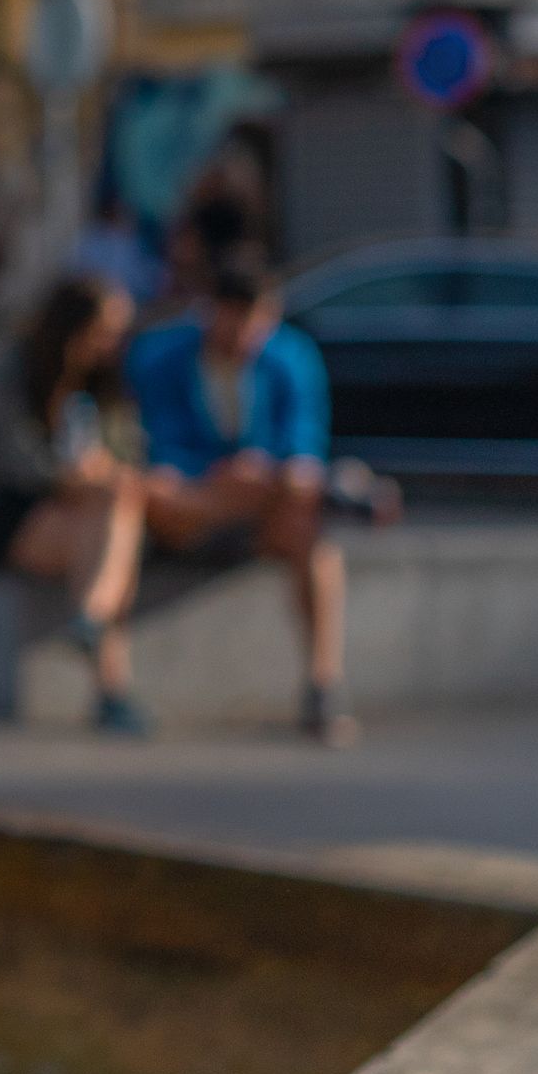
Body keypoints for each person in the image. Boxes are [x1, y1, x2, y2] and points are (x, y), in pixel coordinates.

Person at [124, 252, 390, 745]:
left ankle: (323, 685)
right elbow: (156, 446)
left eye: (261, 321)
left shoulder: (291, 357)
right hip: (189, 508)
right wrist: (212, 476)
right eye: (239, 320)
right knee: (160, 492)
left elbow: (303, 443)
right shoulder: (159, 356)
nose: (250, 334)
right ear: (212, 311)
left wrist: (263, 468)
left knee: (313, 535)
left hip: (262, 508)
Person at [0, 276, 152, 736]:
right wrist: (74, 476)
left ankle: (93, 625)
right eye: (104, 330)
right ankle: (111, 685)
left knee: (114, 523)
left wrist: (101, 472)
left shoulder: (106, 380)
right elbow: (14, 460)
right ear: (74, 326)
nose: (112, 343)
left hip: (87, 512)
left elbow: (129, 450)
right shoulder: (13, 368)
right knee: (115, 530)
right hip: (13, 510)